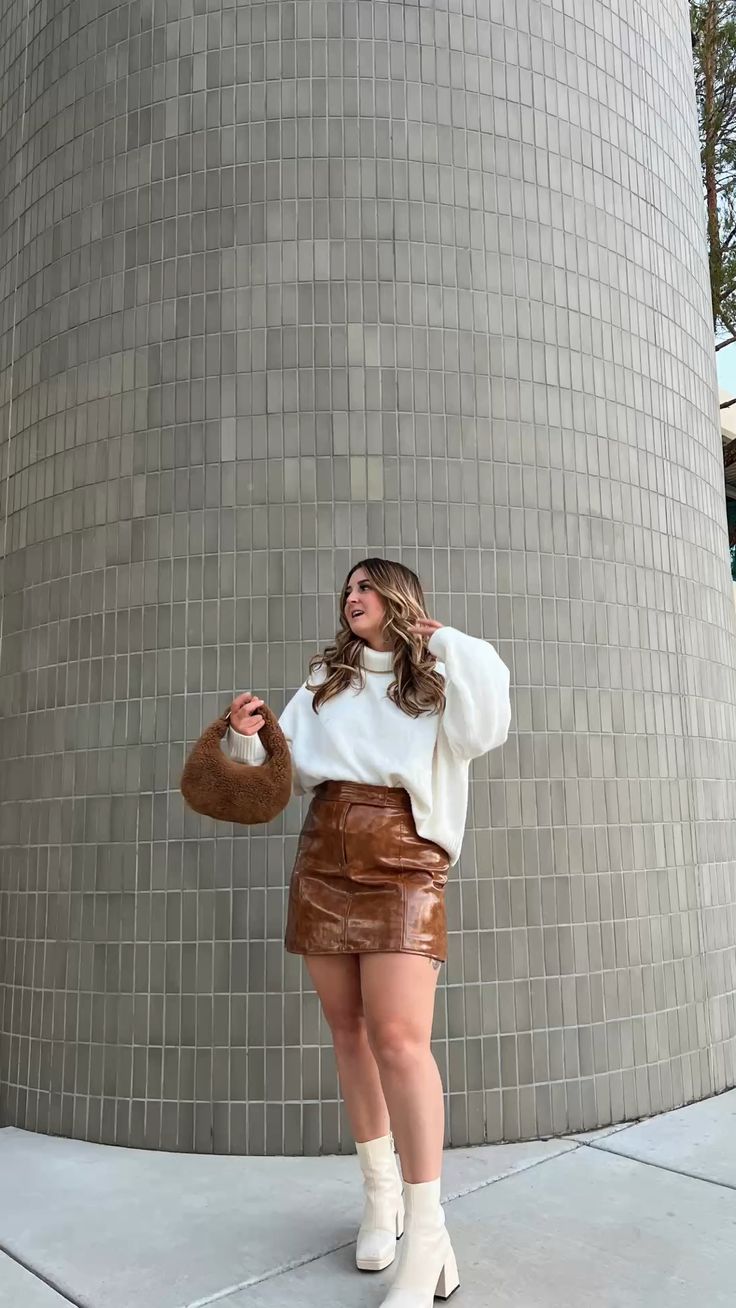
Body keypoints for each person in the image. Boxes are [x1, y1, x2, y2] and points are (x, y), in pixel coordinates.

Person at [226, 557, 511, 1307]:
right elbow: (278, 769)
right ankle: (379, 1196)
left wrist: (446, 641)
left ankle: (428, 1237)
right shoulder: (327, 680)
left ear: (397, 597)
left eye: (365, 586)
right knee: (348, 1033)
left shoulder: (440, 678)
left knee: (399, 1040)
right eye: (346, 589)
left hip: (405, 861)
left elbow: (488, 729)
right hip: (322, 858)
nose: (351, 597)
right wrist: (246, 738)